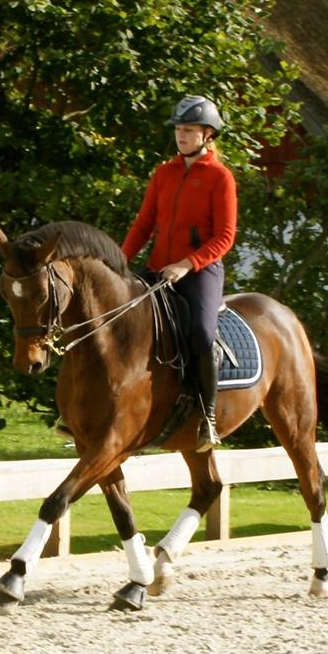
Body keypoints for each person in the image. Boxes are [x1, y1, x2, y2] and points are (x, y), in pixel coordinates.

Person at [121, 94, 237, 451]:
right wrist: (118, 261)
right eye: (178, 130)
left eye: (188, 130)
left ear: (208, 135)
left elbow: (225, 237)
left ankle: (209, 416)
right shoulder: (164, 173)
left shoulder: (220, 177)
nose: (181, 136)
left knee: (201, 333)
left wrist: (186, 265)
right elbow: (144, 225)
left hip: (201, 271)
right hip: (159, 269)